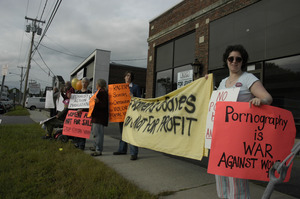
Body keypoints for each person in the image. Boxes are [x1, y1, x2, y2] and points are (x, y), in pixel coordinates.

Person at [215, 44, 272, 199]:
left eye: (238, 59)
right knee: (221, 176)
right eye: (231, 58)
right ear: (226, 61)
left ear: (242, 61)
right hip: (221, 137)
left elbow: (268, 97)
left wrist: (260, 101)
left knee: (236, 179)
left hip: (238, 137)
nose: (234, 61)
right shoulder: (222, 82)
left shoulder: (248, 78)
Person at [113, 71, 141, 160]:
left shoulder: (136, 87)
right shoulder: (119, 88)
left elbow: (139, 100)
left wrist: (132, 97)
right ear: (124, 77)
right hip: (122, 114)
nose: (128, 77)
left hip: (131, 114)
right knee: (123, 133)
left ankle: (134, 153)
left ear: (131, 77)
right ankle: (122, 150)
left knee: (131, 133)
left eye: (129, 76)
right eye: (126, 76)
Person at [88, 79, 109, 156]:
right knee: (95, 133)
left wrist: (97, 102)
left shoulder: (102, 93)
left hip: (99, 117)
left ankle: (98, 150)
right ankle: (95, 146)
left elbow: (104, 105)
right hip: (96, 117)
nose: (96, 85)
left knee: (99, 134)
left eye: (96, 84)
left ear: (99, 85)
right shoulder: (99, 92)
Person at [74, 77, 92, 150]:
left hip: (85, 114)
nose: (84, 83)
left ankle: (82, 144)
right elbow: (74, 103)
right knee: (77, 129)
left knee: (83, 129)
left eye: (85, 82)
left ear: (88, 83)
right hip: (77, 113)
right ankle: (77, 143)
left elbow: (90, 105)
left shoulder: (89, 93)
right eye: (83, 82)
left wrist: (83, 109)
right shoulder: (77, 93)